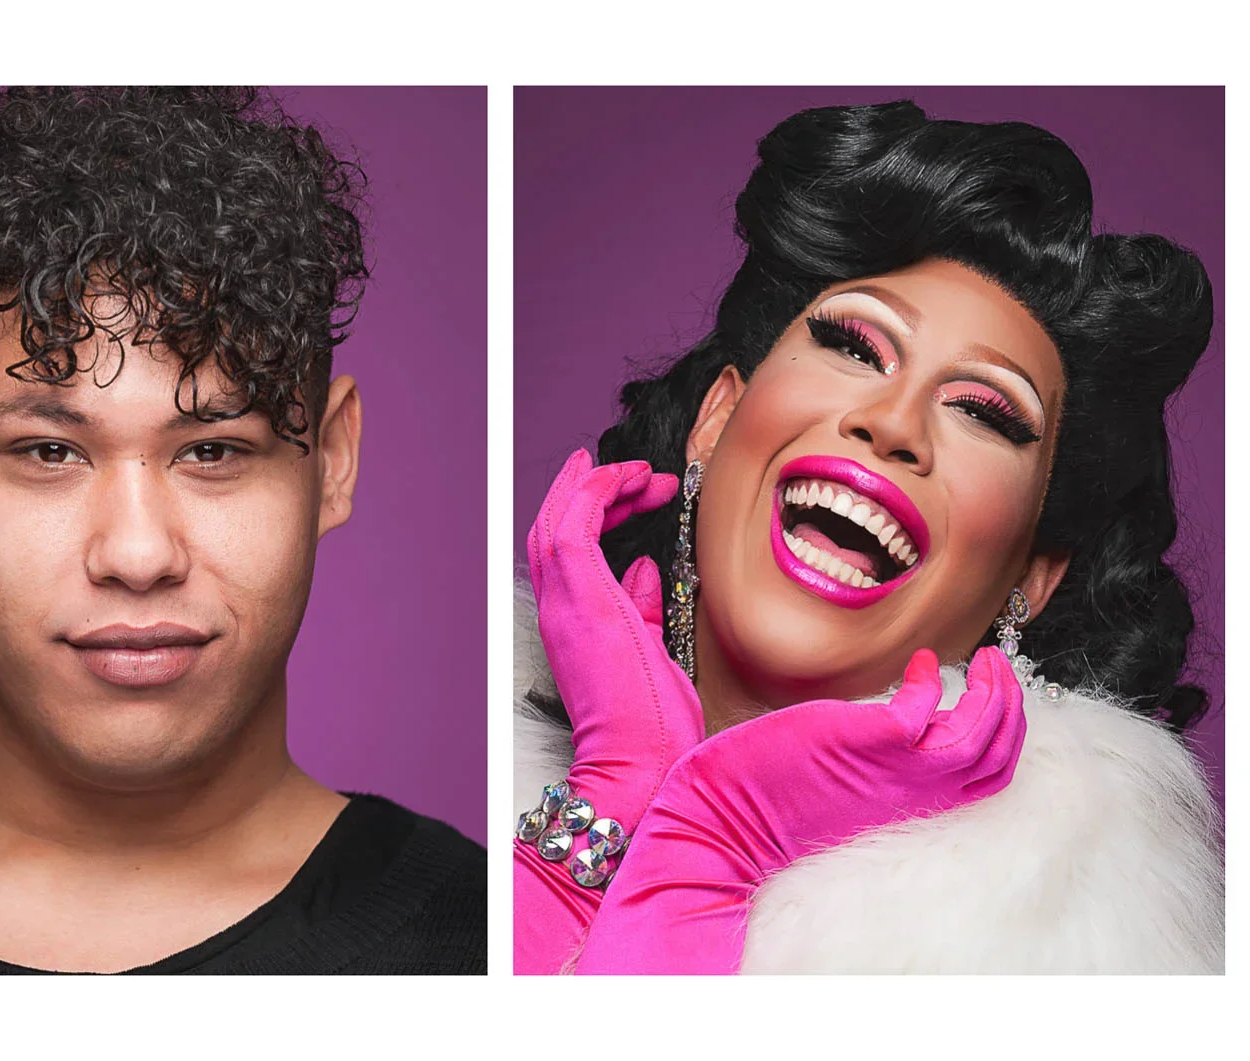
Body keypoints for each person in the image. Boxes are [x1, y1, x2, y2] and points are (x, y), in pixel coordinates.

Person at [0, 86, 485, 975]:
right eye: (48, 450)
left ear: (332, 460)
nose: (138, 555)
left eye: (215, 450)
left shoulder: (481, 943)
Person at [513, 101, 1223, 974]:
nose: (893, 423)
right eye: (855, 345)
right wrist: (621, 782)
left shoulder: (1084, 958)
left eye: (984, 411)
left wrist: (716, 829)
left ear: (1031, 578)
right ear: (717, 418)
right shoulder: (469, 797)